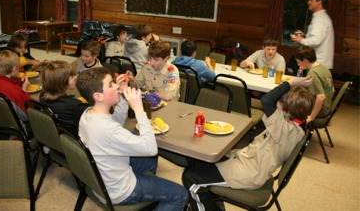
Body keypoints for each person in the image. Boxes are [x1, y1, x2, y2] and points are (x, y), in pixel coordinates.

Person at [182, 76, 315, 211]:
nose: (277, 102)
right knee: (201, 159)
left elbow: (267, 100)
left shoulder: (287, 130)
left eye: (281, 101)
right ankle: (213, 206)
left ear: (290, 109)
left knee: (191, 178)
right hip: (247, 160)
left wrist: (291, 82)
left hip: (249, 173)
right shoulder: (292, 125)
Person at [77, 67, 188, 210]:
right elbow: (150, 148)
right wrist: (138, 109)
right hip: (119, 191)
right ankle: (144, 194)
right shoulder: (107, 129)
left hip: (101, 181)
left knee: (149, 160)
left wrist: (122, 97)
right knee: (180, 194)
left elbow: (114, 124)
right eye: (111, 84)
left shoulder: (87, 114)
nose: (117, 85)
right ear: (98, 96)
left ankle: (151, 198)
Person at [0, 49, 31, 124]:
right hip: (12, 132)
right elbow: (27, 115)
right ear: (14, 68)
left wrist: (18, 83)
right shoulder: (13, 91)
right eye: (18, 67)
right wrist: (23, 91)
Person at [39, 60, 89, 136]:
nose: (75, 77)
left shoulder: (42, 95)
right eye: (72, 77)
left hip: (53, 135)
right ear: (63, 82)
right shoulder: (75, 106)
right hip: (72, 141)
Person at [291, 0, 334, 70]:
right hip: (318, 63)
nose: (308, 2)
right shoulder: (320, 17)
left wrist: (301, 39)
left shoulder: (320, 19)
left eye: (311, 0)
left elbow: (316, 41)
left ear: (319, 2)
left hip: (319, 63)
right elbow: (318, 37)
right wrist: (305, 36)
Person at [294, 45, 334, 123]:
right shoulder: (324, 68)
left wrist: (311, 117)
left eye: (298, 62)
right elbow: (332, 90)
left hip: (319, 111)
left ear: (305, 60)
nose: (298, 64)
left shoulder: (312, 73)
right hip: (327, 109)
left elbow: (321, 97)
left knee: (289, 107)